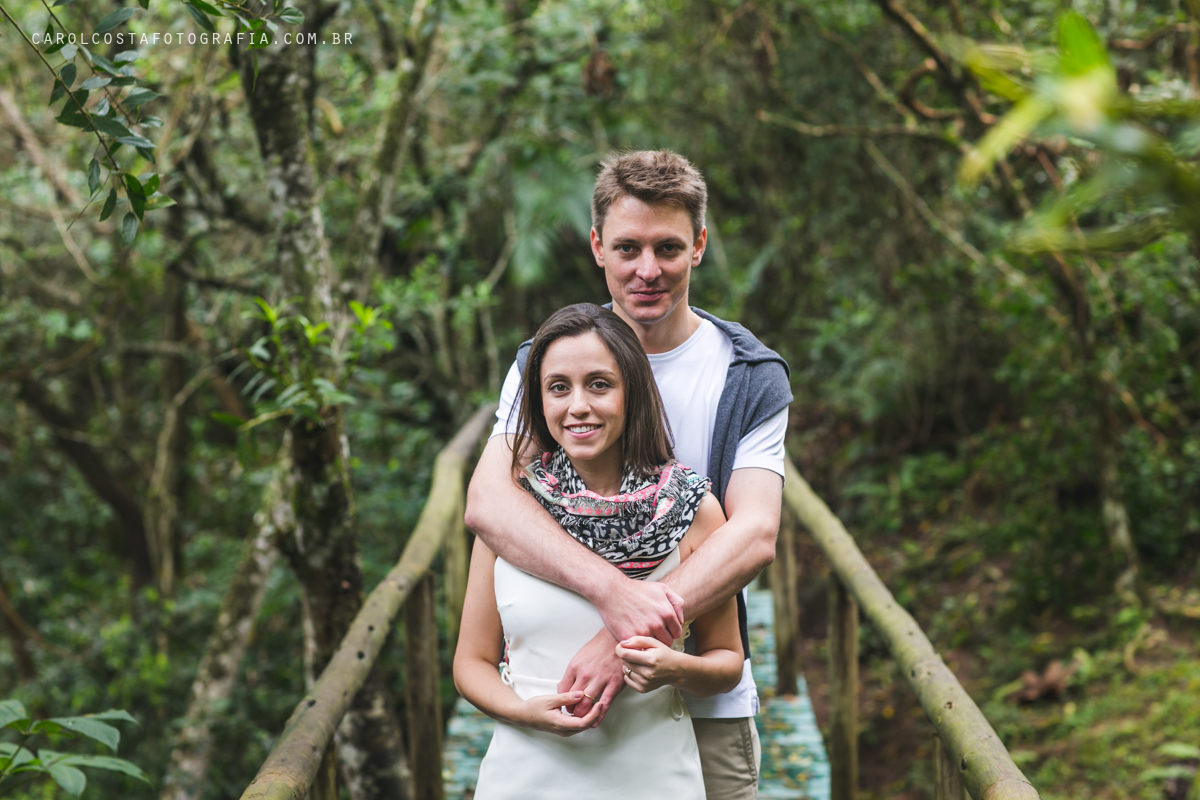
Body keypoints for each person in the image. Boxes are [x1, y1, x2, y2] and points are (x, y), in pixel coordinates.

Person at [465, 150, 792, 799]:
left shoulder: (748, 376)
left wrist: (624, 640)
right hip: (560, 712)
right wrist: (616, 599)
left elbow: (753, 535)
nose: (648, 270)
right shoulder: (547, 361)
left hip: (698, 704)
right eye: (628, 247)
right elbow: (489, 500)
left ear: (698, 245)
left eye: (667, 247)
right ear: (597, 247)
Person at [454, 303, 744, 799]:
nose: (578, 406)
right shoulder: (513, 513)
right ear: (539, 402)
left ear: (632, 393)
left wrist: (675, 669)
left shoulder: (693, 508)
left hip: (654, 776)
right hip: (526, 771)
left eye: (599, 384)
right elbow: (470, 663)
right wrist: (523, 711)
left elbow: (727, 661)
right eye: (558, 387)